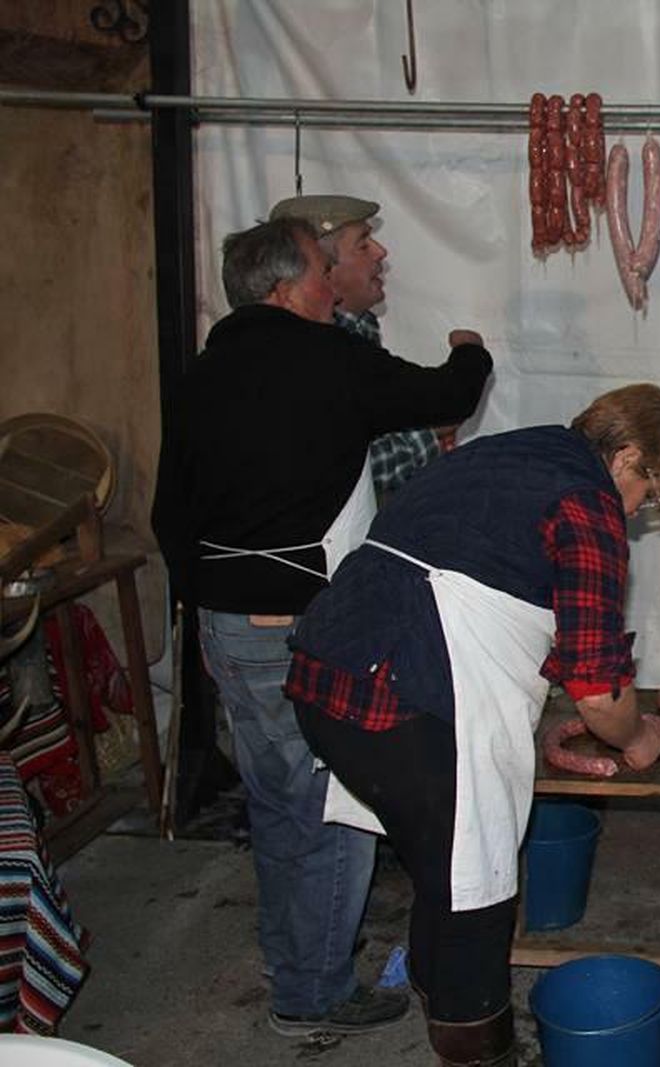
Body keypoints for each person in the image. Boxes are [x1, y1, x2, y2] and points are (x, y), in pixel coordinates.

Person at [151, 216, 492, 1038]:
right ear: (285, 288)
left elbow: (171, 515)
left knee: (277, 802)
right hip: (308, 624)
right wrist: (471, 349)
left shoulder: (200, 373)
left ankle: (294, 958)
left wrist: (208, 611)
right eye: (318, 270)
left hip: (228, 624)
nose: (329, 285)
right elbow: (447, 395)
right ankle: (314, 994)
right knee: (338, 803)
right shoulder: (327, 357)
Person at [286, 385, 660, 1067]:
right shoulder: (588, 502)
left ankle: (433, 989)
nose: (635, 513)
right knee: (476, 890)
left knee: (441, 860)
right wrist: (637, 736)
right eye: (646, 496)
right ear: (628, 457)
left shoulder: (507, 451)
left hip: (327, 670)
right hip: (399, 693)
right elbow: (599, 691)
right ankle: (477, 1045)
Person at [269, 194, 451, 497]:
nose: (381, 252)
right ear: (322, 266)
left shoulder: (358, 327)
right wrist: (431, 431)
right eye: (363, 244)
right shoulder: (306, 350)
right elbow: (343, 464)